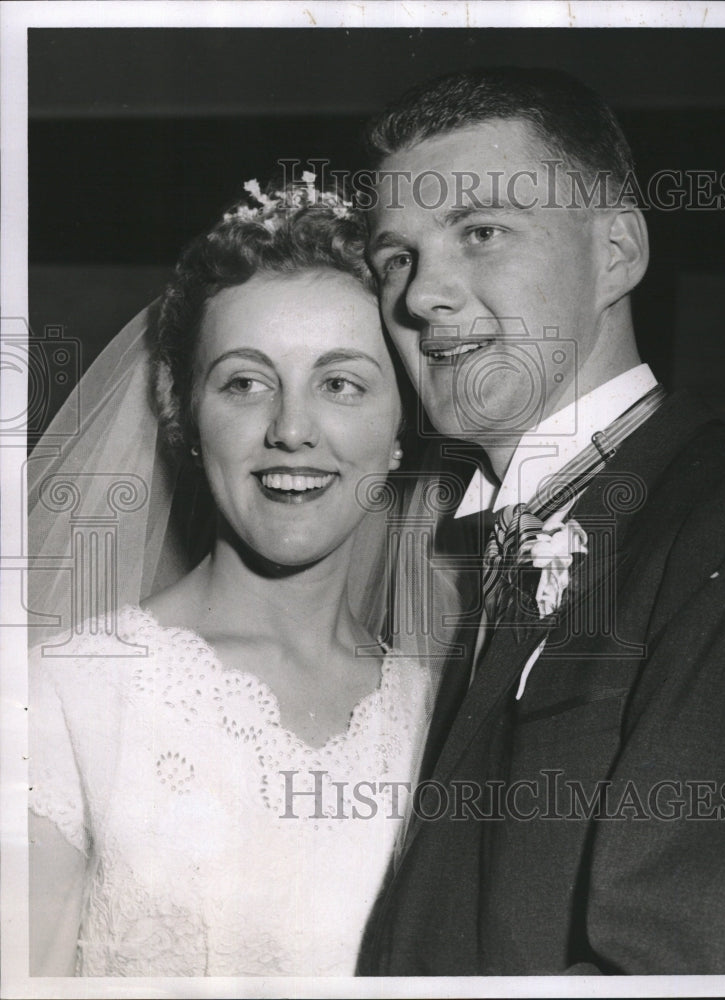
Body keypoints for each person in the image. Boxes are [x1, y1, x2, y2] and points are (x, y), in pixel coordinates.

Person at [356, 68, 725, 975]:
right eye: (397, 257)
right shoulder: (493, 550)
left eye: (482, 232)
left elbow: (686, 957)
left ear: (618, 251)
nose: (422, 295)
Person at [27, 182, 435, 977]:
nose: (290, 428)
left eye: (341, 382)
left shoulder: (439, 710)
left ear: (398, 430)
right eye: (245, 382)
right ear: (182, 413)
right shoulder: (72, 694)